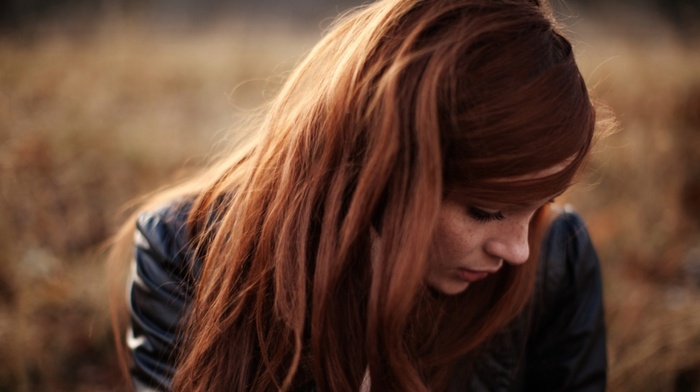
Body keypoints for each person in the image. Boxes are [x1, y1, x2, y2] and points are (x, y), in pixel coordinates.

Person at [109, 0, 609, 390]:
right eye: (486, 210)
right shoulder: (183, 253)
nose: (517, 250)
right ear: (380, 165)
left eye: (538, 203)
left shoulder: (555, 261)